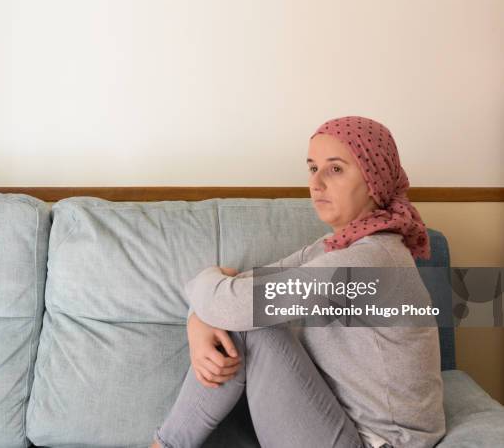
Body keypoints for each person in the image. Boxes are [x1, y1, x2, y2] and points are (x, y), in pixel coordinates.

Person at [150, 116, 446, 448]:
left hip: (380, 443)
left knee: (251, 326)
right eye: (312, 168)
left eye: (335, 169)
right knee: (247, 315)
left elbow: (231, 303)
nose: (316, 183)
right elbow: (238, 293)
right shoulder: (333, 248)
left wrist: (205, 310)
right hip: (339, 424)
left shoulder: (369, 263)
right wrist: (198, 319)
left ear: (373, 178)